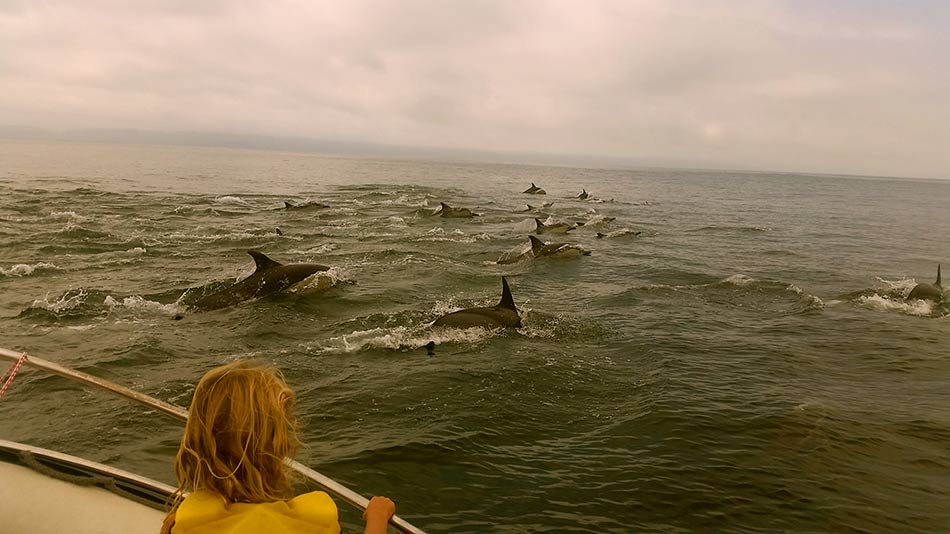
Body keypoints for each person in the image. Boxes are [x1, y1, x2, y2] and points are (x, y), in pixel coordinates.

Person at [160, 360, 396, 534]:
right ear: (277, 445)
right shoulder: (308, 523)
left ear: (195, 441)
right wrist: (377, 519)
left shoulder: (185, 525)